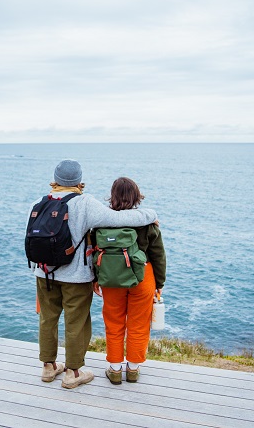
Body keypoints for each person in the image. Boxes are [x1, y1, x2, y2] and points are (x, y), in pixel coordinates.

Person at [30, 160, 158, 389]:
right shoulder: (85, 203)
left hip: (44, 272)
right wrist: (151, 214)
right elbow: (120, 219)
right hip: (75, 276)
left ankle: (48, 368)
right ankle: (73, 372)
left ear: (55, 179)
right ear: (79, 180)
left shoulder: (39, 203)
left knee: (47, 319)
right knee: (76, 322)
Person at [94, 177, 166, 385]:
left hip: (111, 277)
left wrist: (96, 278)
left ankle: (115, 369)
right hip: (143, 277)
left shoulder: (102, 222)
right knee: (139, 323)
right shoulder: (147, 222)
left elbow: (93, 252)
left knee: (114, 322)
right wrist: (159, 283)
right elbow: (158, 255)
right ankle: (133, 369)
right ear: (136, 196)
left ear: (113, 196)